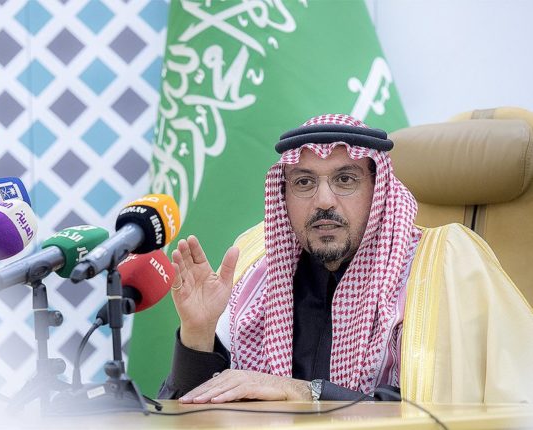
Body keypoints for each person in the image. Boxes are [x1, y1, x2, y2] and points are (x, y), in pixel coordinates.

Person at [158, 113, 533, 404]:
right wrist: (198, 333)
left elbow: (447, 410)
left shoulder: (446, 264)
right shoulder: (257, 264)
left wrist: (306, 393)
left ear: (378, 189)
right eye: (304, 182)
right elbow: (191, 413)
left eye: (345, 180)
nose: (323, 201)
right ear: (283, 195)